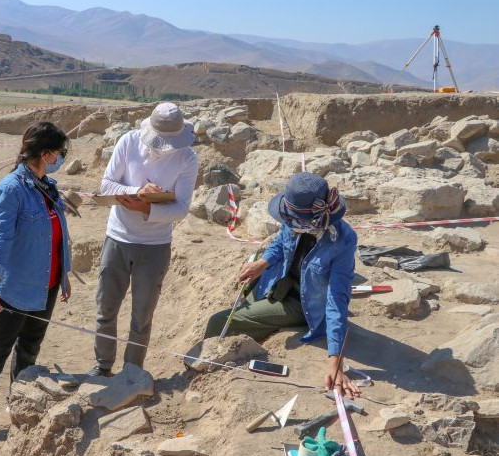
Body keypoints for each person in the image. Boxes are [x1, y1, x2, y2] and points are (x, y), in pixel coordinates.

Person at [0, 121, 73, 453]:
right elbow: (0, 240)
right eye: (59, 152)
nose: (61, 157)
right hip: (13, 291)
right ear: (46, 153)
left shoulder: (47, 186)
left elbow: (56, 237)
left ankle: (19, 405)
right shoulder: (12, 188)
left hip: (44, 289)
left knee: (29, 353)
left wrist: (62, 277)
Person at [204, 172, 361, 398]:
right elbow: (280, 243)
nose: (286, 223)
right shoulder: (297, 218)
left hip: (301, 303)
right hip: (276, 281)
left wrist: (335, 363)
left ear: (309, 220)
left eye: (291, 220)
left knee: (219, 321)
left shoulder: (343, 241)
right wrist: (262, 263)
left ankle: (202, 367)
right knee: (242, 308)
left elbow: (337, 300)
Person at [90, 102, 198, 376]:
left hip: (154, 246)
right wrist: (138, 191)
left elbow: (182, 208)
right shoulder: (129, 142)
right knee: (106, 309)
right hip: (118, 237)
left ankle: (132, 372)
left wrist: (148, 209)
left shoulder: (187, 158)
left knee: (142, 317)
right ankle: (103, 367)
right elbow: (106, 185)